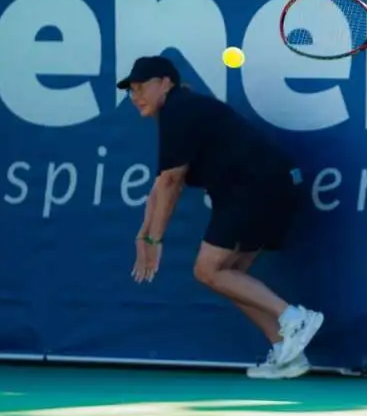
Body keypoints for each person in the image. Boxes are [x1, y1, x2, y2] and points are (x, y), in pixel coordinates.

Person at [118, 55, 324, 380]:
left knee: (207, 270)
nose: (135, 96)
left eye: (141, 87)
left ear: (165, 83)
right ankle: (287, 352)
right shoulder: (177, 112)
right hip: (268, 185)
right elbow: (161, 184)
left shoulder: (179, 110)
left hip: (256, 187)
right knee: (231, 275)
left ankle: (293, 317)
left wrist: (156, 239)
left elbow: (172, 183)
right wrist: (143, 233)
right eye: (131, 90)